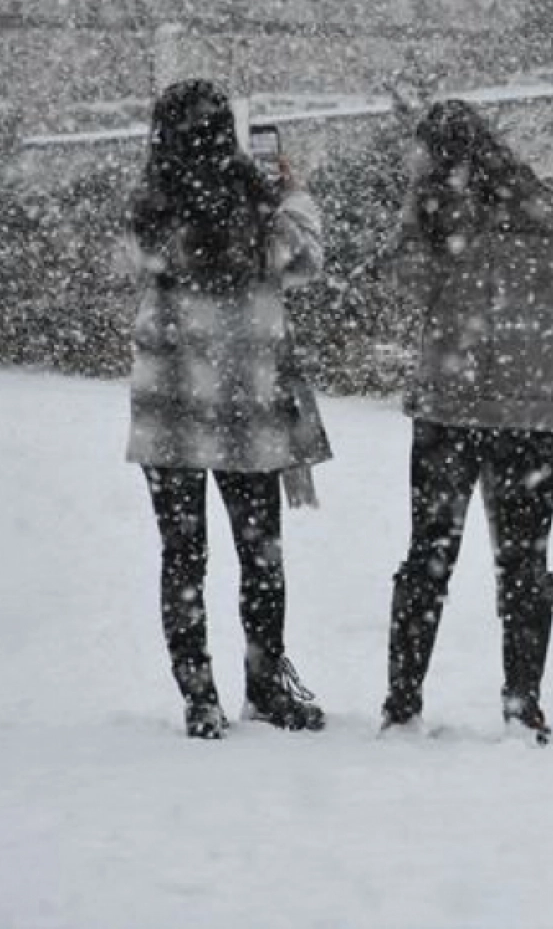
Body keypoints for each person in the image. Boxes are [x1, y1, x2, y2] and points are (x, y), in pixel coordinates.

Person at [381, 100, 553, 743]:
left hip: (450, 409)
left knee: (428, 556)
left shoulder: (438, 219)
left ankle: (402, 701)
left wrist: (424, 215)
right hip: (534, 415)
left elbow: (396, 292)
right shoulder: (550, 216)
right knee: (525, 563)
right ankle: (522, 704)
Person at [125, 79, 330, 740]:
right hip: (246, 403)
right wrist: (292, 191)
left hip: (170, 409)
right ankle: (266, 683)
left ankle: (199, 696)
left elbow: (127, 267)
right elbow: (304, 261)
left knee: (182, 556)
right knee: (259, 551)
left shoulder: (149, 209)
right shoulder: (258, 207)